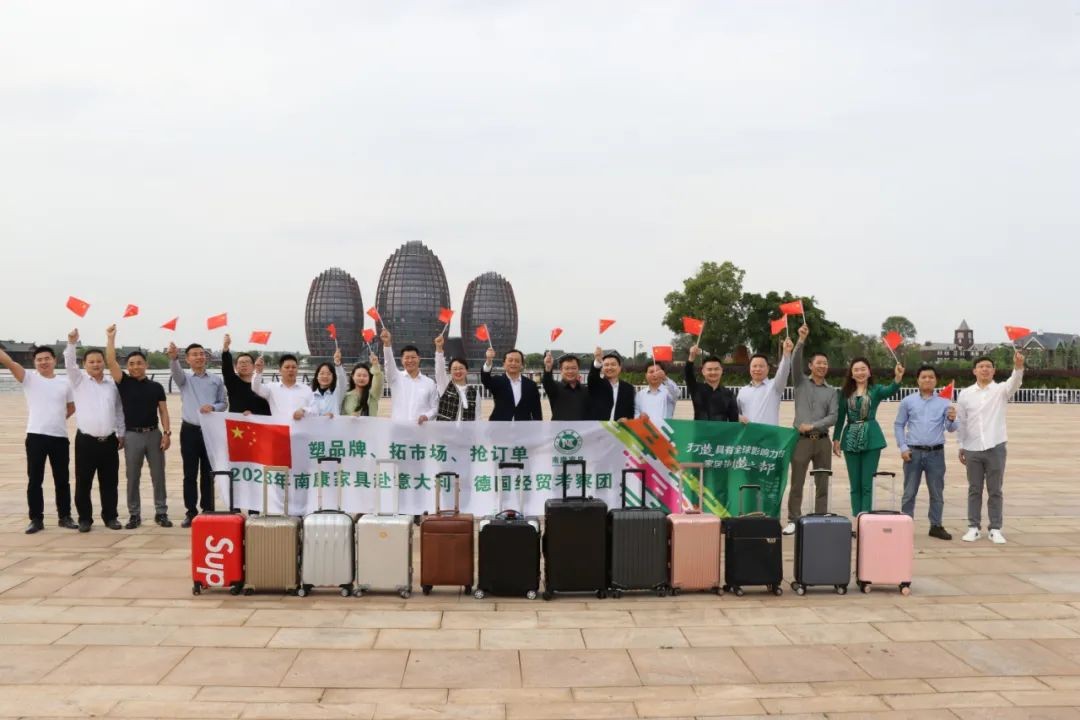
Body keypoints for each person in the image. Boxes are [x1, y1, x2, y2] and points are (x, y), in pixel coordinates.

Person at [0, 344, 76, 534]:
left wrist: (57, 419)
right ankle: (36, 519)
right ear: (34, 362)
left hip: (59, 437)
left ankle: (65, 516)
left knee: (62, 479)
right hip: (36, 436)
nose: (43, 362)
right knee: (35, 480)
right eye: (39, 359)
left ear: (54, 360)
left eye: (47, 358)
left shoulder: (65, 383)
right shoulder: (29, 378)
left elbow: (71, 407)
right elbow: (9, 362)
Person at [106, 325, 172, 529]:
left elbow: (163, 411)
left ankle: (161, 512)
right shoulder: (123, 382)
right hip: (132, 436)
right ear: (127, 366)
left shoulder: (156, 387)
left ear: (146, 364)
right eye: (131, 364)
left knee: (158, 476)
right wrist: (111, 338)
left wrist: (167, 433)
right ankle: (134, 514)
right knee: (132, 476)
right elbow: (110, 361)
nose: (135, 367)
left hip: (154, 434)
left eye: (139, 363)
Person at [956, 351, 1024, 544]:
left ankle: (995, 528)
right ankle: (973, 527)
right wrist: (961, 445)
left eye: (988, 367)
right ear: (974, 371)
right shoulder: (965, 394)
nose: (984, 369)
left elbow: (1015, 382)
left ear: (994, 371)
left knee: (995, 490)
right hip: (972, 447)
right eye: (981, 367)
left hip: (996, 446)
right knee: (974, 489)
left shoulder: (1001, 390)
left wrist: (1018, 366)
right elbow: (962, 421)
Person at [64, 329, 125, 532]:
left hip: (109, 440)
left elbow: (119, 410)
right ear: (85, 364)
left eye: (99, 361)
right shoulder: (78, 381)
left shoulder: (112, 385)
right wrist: (71, 343)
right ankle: (85, 519)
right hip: (86, 441)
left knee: (110, 482)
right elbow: (69, 363)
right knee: (84, 482)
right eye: (91, 362)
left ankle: (110, 517)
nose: (96, 364)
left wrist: (121, 433)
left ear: (104, 363)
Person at [784, 323, 839, 535]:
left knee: (822, 482)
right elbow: (794, 362)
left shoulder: (831, 391)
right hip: (801, 440)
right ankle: (793, 519)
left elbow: (833, 416)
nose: (822, 366)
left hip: (823, 440)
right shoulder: (800, 382)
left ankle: (820, 518)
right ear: (810, 365)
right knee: (797, 482)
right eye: (818, 363)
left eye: (825, 363)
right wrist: (801, 340)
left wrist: (814, 425)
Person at [834, 356, 904, 517]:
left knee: (867, 484)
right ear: (851, 374)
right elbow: (840, 418)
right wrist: (836, 439)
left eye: (863, 369)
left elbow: (891, 390)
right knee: (855, 484)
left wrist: (898, 377)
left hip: (871, 439)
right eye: (856, 370)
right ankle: (856, 518)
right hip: (850, 438)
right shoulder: (844, 393)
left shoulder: (876, 390)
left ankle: (865, 518)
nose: (860, 372)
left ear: (869, 372)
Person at [894, 365, 958, 540]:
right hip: (912, 453)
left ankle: (936, 525)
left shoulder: (944, 402)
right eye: (924, 377)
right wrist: (903, 447)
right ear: (918, 380)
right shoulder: (908, 402)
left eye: (931, 377)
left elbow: (951, 428)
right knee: (909, 492)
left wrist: (952, 418)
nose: (927, 380)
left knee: (936, 492)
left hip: (935, 454)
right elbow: (899, 425)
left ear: (936, 380)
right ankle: (905, 524)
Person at [169, 341, 227, 527]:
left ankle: (208, 509)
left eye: (202, 354)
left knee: (208, 472)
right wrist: (173, 358)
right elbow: (176, 372)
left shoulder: (216, 380)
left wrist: (213, 407)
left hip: (210, 430)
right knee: (190, 473)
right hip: (190, 431)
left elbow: (223, 403)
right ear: (187, 359)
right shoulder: (184, 379)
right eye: (194, 354)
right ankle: (191, 511)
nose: (199, 357)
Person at [380, 329, 438, 424]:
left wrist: (426, 416)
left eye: (413, 357)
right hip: (398, 429)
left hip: (420, 430)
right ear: (402, 360)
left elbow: (435, 408)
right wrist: (387, 344)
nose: (410, 361)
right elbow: (388, 362)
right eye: (406, 358)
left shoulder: (429, 383)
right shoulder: (395, 378)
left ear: (419, 359)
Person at [738, 337, 794, 426]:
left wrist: (786, 353)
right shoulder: (743, 391)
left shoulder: (775, 386)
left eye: (761, 366)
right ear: (749, 368)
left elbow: (783, 372)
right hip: (749, 434)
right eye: (754, 366)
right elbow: (736, 414)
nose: (757, 369)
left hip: (769, 434)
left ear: (767, 368)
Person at [482, 346, 543, 421]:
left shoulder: (531, 385)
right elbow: (485, 379)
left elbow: (537, 411)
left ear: (522, 365)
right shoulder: (497, 381)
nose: (513, 363)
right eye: (510, 360)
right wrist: (489, 360)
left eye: (517, 361)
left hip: (524, 426)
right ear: (504, 364)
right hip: (499, 425)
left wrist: (538, 425)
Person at [684, 345, 738, 422]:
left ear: (721, 371)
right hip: (700, 429)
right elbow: (688, 374)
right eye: (709, 369)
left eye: (716, 369)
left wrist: (739, 418)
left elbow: (734, 419)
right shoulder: (696, 389)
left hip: (721, 430)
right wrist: (691, 357)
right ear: (703, 371)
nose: (713, 372)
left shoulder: (729, 394)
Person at [252, 353, 315, 418]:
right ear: (280, 370)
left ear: (297, 370)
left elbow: (314, 409)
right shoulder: (271, 388)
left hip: (300, 424)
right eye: (287, 367)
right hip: (279, 424)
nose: (291, 370)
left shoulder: (306, 389)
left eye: (294, 367)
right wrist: (258, 372)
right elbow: (255, 388)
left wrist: (304, 410)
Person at [220, 334, 270, 416]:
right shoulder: (232, 383)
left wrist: (253, 414)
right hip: (236, 423)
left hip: (256, 423)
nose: (244, 364)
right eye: (241, 362)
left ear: (254, 366)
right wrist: (225, 349)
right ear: (236, 367)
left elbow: (266, 411)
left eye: (247, 362)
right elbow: (227, 368)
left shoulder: (260, 387)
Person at [434, 335, 478, 422]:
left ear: (466, 371)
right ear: (450, 371)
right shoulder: (445, 386)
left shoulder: (475, 393)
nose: (458, 371)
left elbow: (478, 417)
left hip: (466, 431)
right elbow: (439, 370)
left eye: (461, 368)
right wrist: (439, 348)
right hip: (445, 430)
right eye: (454, 369)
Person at [588, 348, 636, 421]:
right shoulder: (596, 384)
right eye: (606, 365)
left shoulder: (628, 388)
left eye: (613, 364)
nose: (609, 367)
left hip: (619, 427)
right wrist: (598, 360)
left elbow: (631, 412)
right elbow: (593, 376)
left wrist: (627, 419)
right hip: (598, 427)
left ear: (619, 368)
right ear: (602, 368)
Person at [542, 353, 590, 421]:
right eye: (567, 368)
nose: (570, 371)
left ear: (578, 369)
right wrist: (548, 368)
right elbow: (547, 381)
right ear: (561, 370)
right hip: (559, 427)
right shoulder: (555, 388)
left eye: (573, 368)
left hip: (582, 427)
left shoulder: (586, 390)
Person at [305, 348, 348, 417]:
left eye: (328, 374)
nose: (325, 376)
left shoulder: (337, 393)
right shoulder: (310, 395)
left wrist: (337, 364)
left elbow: (342, 380)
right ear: (317, 376)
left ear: (333, 377)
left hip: (335, 424)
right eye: (322, 373)